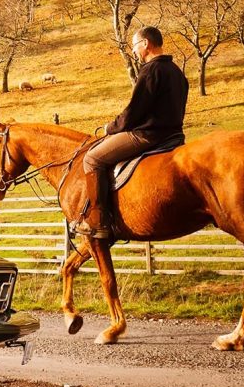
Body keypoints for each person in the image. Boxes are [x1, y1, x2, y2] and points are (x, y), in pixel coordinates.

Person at [74, 26, 188, 239]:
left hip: (147, 136)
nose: (134, 51)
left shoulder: (151, 71)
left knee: (92, 158)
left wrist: (110, 127)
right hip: (174, 136)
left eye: (135, 46)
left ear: (146, 44)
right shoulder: (177, 71)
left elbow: (133, 113)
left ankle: (98, 221)